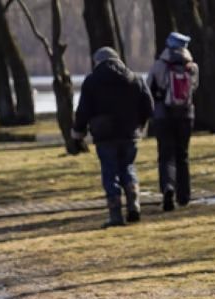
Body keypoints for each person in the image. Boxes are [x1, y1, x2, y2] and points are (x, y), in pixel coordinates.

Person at [70, 47, 154, 226]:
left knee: (110, 172)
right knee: (128, 168)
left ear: (97, 62)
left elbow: (83, 110)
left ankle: (116, 215)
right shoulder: (134, 78)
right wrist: (140, 122)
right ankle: (134, 206)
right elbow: (149, 106)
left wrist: (78, 132)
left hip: (104, 135)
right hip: (130, 134)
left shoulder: (92, 81)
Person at [148, 32, 199, 213]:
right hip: (186, 116)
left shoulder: (159, 65)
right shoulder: (192, 67)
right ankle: (184, 196)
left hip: (163, 116)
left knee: (166, 155)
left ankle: (168, 188)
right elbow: (193, 88)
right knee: (182, 155)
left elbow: (150, 90)